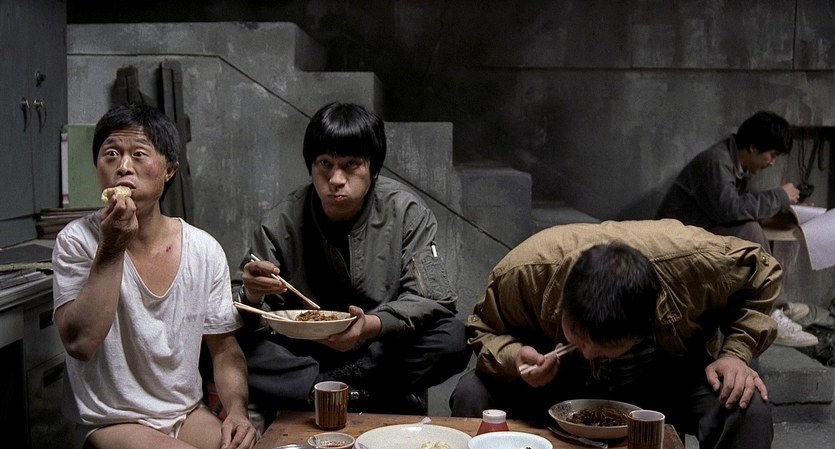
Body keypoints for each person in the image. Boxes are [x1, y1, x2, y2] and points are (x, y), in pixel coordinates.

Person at [450, 219, 778, 449]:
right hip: (554, 376)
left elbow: (763, 271)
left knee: (746, 405)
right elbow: (481, 327)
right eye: (578, 338)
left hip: (663, 371)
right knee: (472, 391)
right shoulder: (528, 270)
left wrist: (735, 353)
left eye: (605, 348)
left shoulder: (696, 259)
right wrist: (514, 359)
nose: (588, 353)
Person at [234, 101, 470, 416]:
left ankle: (333, 388)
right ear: (311, 166)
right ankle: (355, 392)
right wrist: (251, 293)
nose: (336, 178)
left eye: (351, 165)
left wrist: (370, 325)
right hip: (306, 352)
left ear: (374, 170)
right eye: (325, 163)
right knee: (219, 346)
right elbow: (241, 310)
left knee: (454, 338)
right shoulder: (281, 222)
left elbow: (435, 298)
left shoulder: (407, 212)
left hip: (377, 348)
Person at [52, 104, 257, 449]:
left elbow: (224, 349)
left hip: (184, 413)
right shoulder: (77, 241)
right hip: (110, 420)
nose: (123, 167)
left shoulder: (203, 250)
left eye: (139, 154)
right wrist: (112, 247)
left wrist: (237, 412)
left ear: (170, 169)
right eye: (111, 155)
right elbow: (80, 344)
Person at [656, 110, 817, 347]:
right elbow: (731, 209)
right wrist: (780, 196)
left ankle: (775, 305)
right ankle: (769, 312)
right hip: (678, 241)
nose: (772, 163)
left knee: (752, 226)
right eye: (772, 155)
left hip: (700, 230)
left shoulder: (734, 163)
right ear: (753, 147)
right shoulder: (716, 162)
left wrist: (788, 208)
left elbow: (743, 203)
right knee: (750, 230)